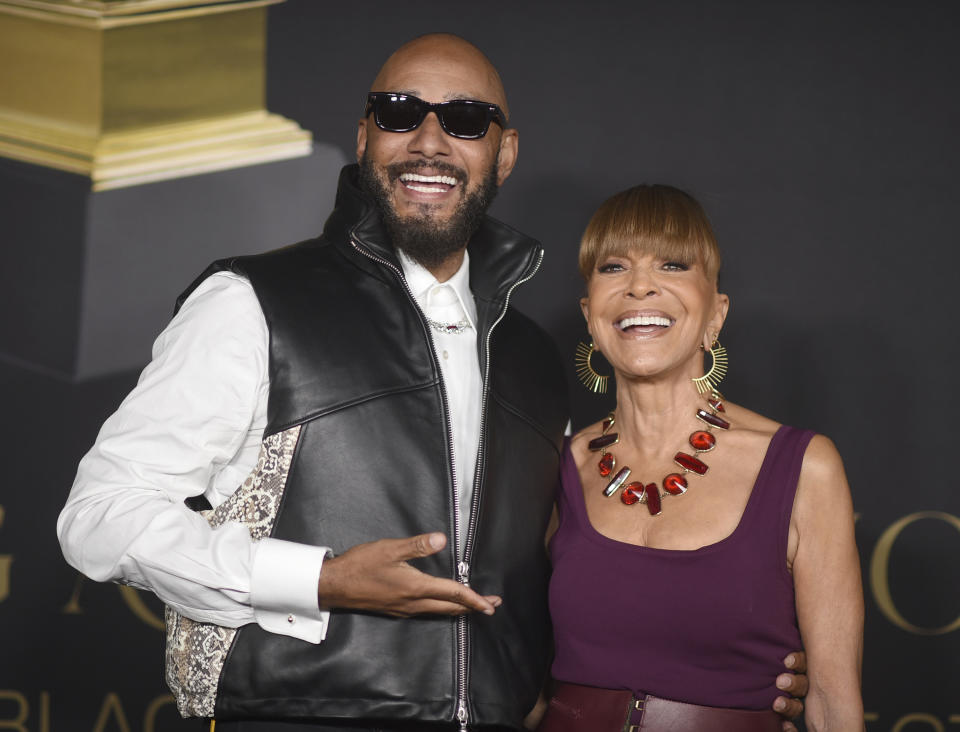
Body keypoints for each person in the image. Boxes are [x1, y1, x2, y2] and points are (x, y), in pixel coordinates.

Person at [57, 35, 808, 732]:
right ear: (364, 137)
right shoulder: (256, 302)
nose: (428, 140)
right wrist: (316, 579)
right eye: (399, 113)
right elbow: (99, 516)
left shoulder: (530, 356)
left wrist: (723, 669)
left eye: (465, 121)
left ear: (504, 153)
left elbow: (562, 581)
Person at [536, 185, 863, 731]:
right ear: (591, 315)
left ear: (716, 313)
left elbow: (834, 705)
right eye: (614, 267)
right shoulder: (555, 466)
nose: (640, 285)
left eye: (672, 263)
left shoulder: (803, 467)